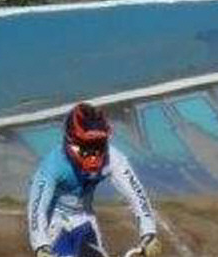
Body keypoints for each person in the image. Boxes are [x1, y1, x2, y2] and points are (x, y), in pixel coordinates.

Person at [26, 103, 159, 257]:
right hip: (53, 222)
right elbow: (37, 209)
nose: (94, 154)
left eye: (99, 144)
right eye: (87, 145)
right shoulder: (53, 165)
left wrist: (149, 233)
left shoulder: (113, 158)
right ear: (71, 142)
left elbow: (136, 193)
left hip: (85, 219)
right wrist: (41, 246)